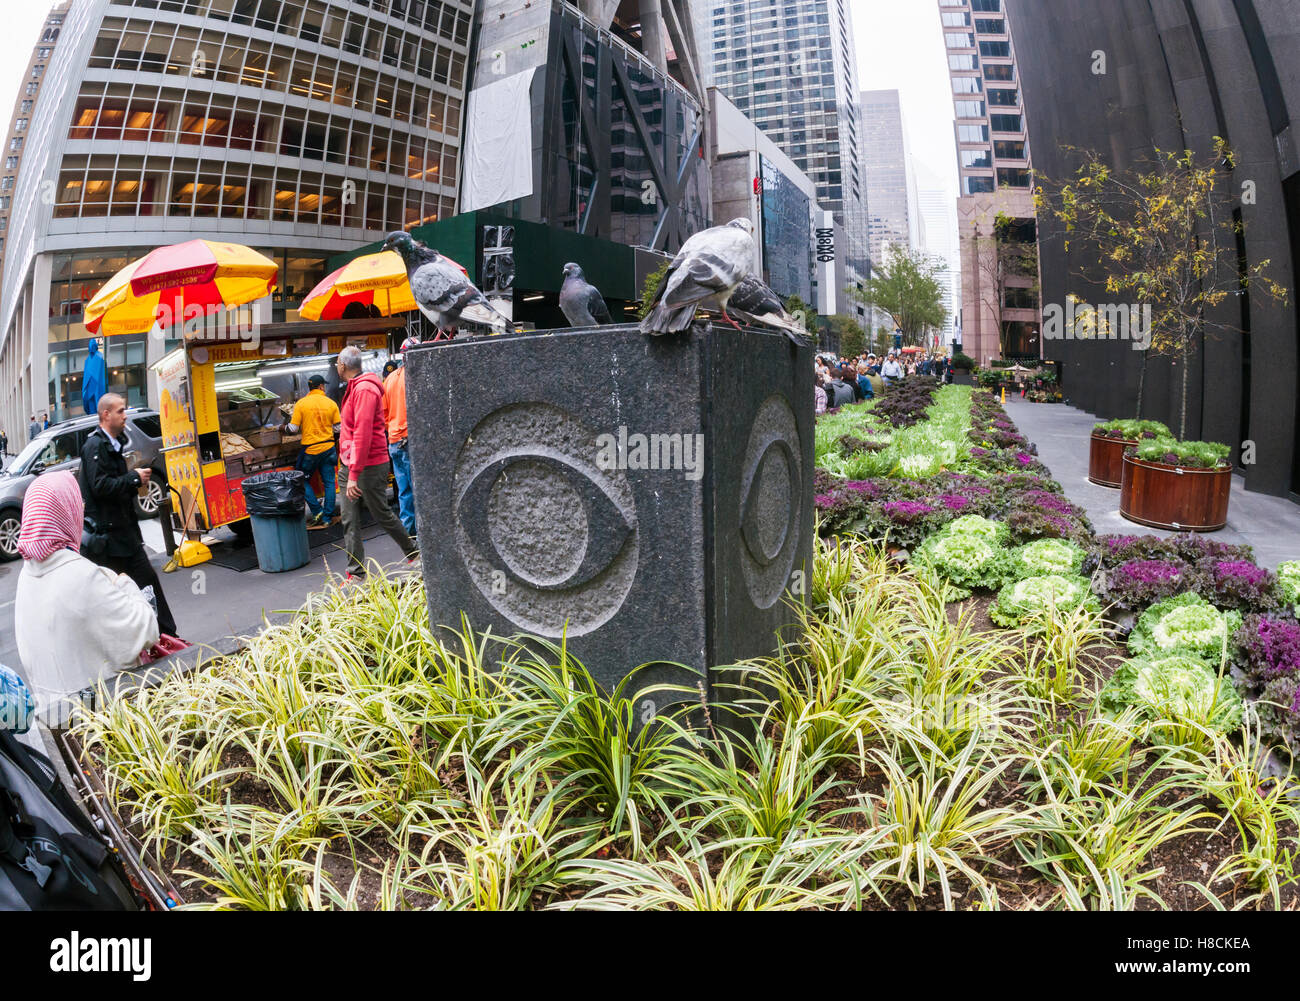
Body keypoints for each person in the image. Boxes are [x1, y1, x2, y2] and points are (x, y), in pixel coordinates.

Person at [15, 470, 158, 727]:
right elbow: (144, 631)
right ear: (65, 513)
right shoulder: (80, 577)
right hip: (102, 725)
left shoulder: (26, 577)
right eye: (76, 504)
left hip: (58, 724)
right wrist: (123, 583)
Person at [79, 393, 179, 636]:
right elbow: (100, 486)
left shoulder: (113, 444)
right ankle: (160, 636)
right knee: (129, 592)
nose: (125, 415)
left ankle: (166, 635)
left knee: (146, 584)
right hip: (110, 541)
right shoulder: (95, 446)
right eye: (121, 411)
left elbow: (111, 485)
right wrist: (133, 478)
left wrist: (132, 481)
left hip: (124, 536)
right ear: (106, 415)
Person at [337, 345, 417, 580]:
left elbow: (363, 434)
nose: (337, 368)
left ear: (343, 366)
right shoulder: (356, 388)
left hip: (368, 466)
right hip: (350, 463)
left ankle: (413, 552)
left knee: (381, 512)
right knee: (349, 519)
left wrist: (354, 474)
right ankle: (356, 572)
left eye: (337, 365)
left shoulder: (364, 390)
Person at [287, 374, 342, 530]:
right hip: (328, 448)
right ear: (321, 387)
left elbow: (293, 429)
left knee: (300, 479)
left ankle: (317, 511)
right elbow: (338, 428)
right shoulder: (331, 404)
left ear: (309, 387)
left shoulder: (301, 404)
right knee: (330, 483)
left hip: (310, 451)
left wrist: (281, 428)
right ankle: (326, 517)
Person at [383, 338, 418, 537]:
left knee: (404, 491)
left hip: (394, 441)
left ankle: (408, 534)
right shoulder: (416, 377)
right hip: (410, 439)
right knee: (418, 489)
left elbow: (384, 414)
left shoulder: (389, 379)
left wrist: (393, 430)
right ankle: (423, 536)